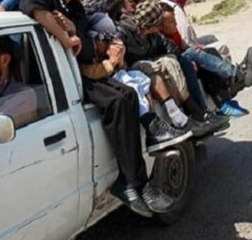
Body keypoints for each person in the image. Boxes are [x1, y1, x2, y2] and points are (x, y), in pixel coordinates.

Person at [19, 0, 174, 217]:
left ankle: (131, 181)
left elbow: (85, 46)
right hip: (57, 77)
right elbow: (30, 6)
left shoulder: (75, 8)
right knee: (115, 100)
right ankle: (136, 182)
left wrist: (73, 32)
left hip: (77, 71)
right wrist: (64, 36)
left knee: (126, 95)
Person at [80, 14, 192, 153]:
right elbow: (90, 72)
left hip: (114, 76)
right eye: (107, 39)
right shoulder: (87, 52)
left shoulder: (104, 48)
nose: (110, 43)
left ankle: (154, 128)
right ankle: (153, 127)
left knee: (141, 79)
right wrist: (112, 62)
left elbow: (121, 68)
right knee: (130, 86)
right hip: (101, 87)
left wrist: (119, 58)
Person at [116, 1, 230, 136]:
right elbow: (118, 58)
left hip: (153, 64)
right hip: (133, 70)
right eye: (156, 25)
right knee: (150, 68)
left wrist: (173, 57)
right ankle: (185, 118)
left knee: (175, 61)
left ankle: (198, 114)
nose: (159, 29)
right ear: (148, 25)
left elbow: (170, 46)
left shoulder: (152, 35)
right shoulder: (123, 32)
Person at [160, 3, 252, 117]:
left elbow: (183, 47)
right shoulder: (159, 38)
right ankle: (235, 75)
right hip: (173, 67)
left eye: (175, 20)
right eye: (171, 22)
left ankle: (227, 97)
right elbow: (169, 57)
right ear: (160, 25)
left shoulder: (173, 32)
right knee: (193, 55)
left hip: (182, 59)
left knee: (209, 51)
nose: (176, 24)